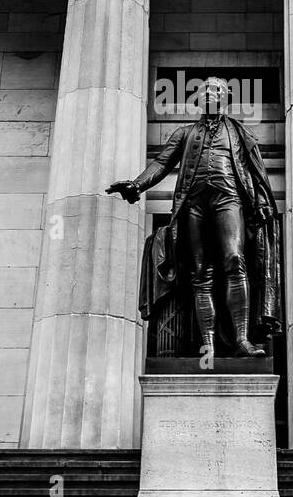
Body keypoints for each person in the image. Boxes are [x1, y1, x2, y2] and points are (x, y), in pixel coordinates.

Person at [107, 76, 280, 359]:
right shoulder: (184, 132)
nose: (211, 94)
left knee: (235, 260)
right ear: (199, 98)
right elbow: (162, 163)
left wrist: (260, 202)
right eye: (206, 90)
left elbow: (256, 173)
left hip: (229, 198)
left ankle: (241, 339)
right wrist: (137, 185)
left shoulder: (239, 133)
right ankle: (208, 344)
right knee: (201, 273)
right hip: (194, 205)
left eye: (217, 90)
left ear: (227, 97)